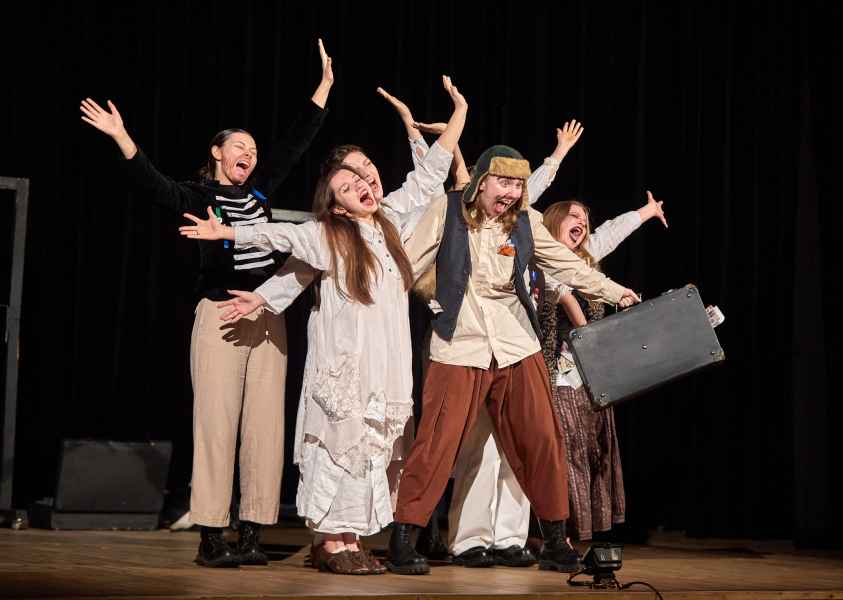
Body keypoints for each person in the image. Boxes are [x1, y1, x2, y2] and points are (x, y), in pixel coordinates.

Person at [79, 39, 334, 568]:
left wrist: (324, 88)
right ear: (217, 152)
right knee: (216, 424)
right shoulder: (198, 196)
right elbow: (154, 185)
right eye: (240, 146)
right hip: (219, 315)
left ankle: (253, 531)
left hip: (266, 315)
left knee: (265, 427)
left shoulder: (260, 193)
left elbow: (294, 144)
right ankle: (212, 534)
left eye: (253, 150)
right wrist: (123, 138)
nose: (250, 154)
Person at [205, 76, 469, 574]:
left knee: (372, 449)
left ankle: (351, 540)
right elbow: (281, 238)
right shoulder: (327, 234)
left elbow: (431, 172)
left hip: (384, 365)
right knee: (338, 445)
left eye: (364, 180)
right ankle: (330, 543)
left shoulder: (391, 223)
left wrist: (459, 113)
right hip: (345, 365)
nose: (363, 186)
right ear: (335, 203)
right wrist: (229, 232)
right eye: (348, 186)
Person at [387, 144, 641, 575]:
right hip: (460, 342)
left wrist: (615, 291)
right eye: (503, 182)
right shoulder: (446, 210)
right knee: (437, 441)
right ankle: (404, 538)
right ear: (481, 181)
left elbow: (568, 264)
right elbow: (406, 266)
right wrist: (394, 302)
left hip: (516, 342)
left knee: (541, 439)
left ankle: (555, 541)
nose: (511, 192)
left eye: (518, 185)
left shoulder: (526, 220)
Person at [536, 193, 667, 543]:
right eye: (573, 216)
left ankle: (580, 530)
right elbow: (569, 305)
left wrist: (647, 212)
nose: (581, 222)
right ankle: (559, 532)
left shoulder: (586, 260)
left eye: (585, 218)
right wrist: (593, 332)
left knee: (594, 453)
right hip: (559, 377)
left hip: (591, 380)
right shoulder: (544, 260)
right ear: (554, 221)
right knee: (568, 452)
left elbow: (611, 232)